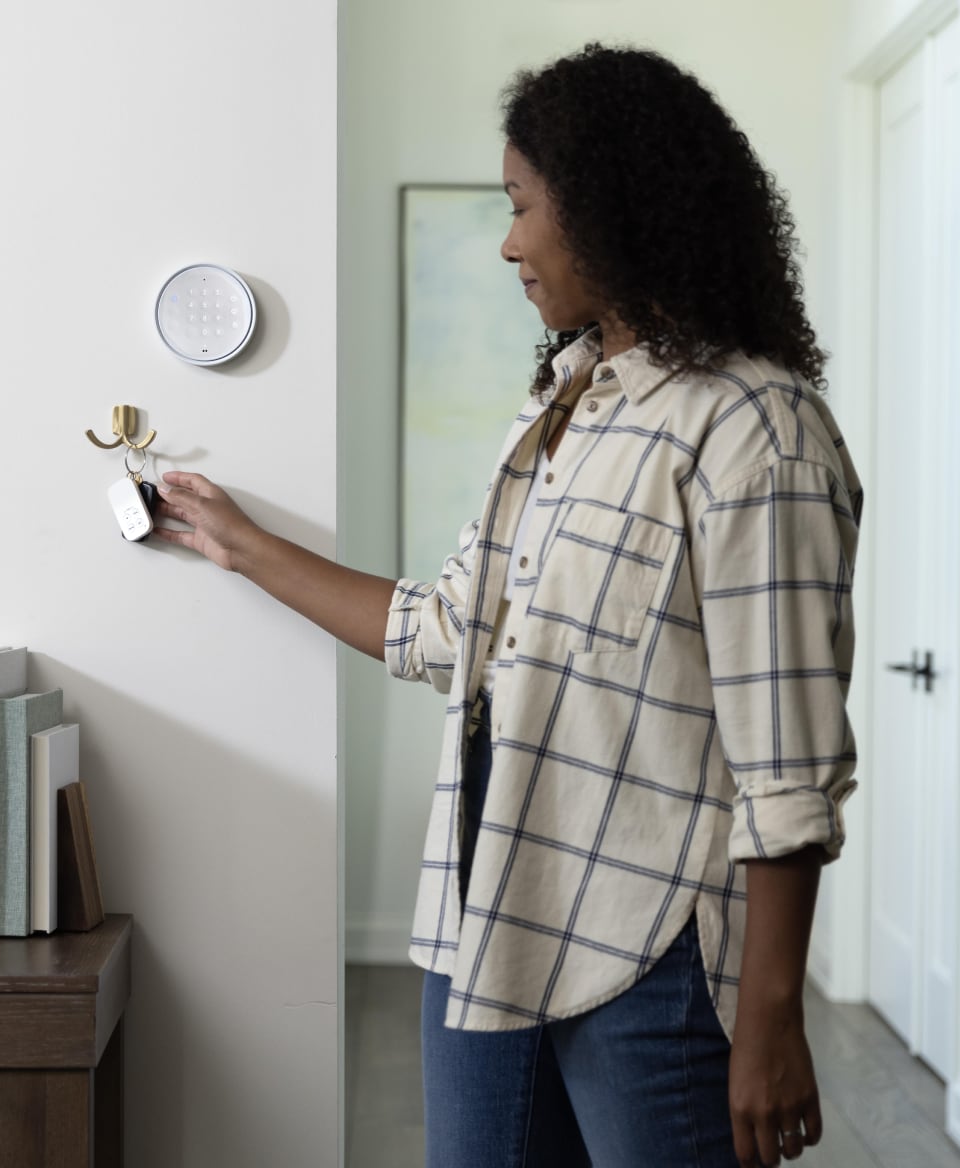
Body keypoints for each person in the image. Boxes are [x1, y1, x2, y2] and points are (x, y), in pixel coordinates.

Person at [155, 43, 861, 1168]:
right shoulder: (563, 407)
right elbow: (443, 631)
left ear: (609, 208)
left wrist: (770, 1016)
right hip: (484, 915)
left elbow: (785, 767)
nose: (508, 241)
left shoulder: (754, 431)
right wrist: (243, 545)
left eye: (523, 206)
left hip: (647, 956)